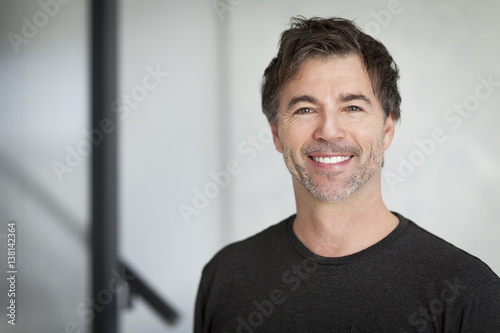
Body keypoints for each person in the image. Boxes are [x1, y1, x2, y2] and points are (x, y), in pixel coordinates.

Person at [194, 16, 500, 332]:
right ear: (276, 133)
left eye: (352, 107)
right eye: (304, 109)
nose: (328, 131)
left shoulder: (466, 291)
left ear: (387, 129)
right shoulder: (226, 277)